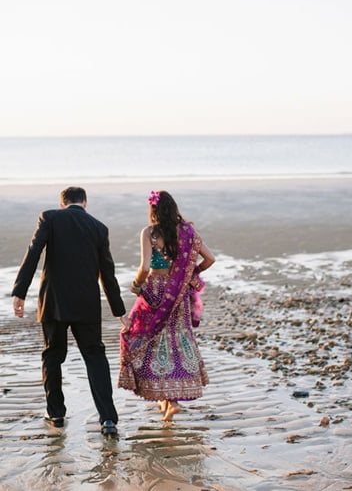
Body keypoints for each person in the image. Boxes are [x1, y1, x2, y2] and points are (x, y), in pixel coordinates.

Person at [11, 186, 127, 436]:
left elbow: (33, 253)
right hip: (87, 304)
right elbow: (107, 272)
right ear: (85, 202)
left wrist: (20, 292)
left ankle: (56, 413)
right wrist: (119, 310)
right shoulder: (98, 227)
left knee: (52, 356)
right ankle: (108, 418)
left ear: (62, 203)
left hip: (54, 302)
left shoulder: (49, 218)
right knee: (95, 357)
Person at [118, 190, 215, 421]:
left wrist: (136, 286)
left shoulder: (150, 232)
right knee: (175, 340)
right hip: (178, 294)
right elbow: (210, 259)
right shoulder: (189, 233)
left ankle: (166, 399)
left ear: (153, 210)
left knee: (140, 336)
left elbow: (143, 267)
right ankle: (169, 400)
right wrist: (189, 274)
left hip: (154, 291)